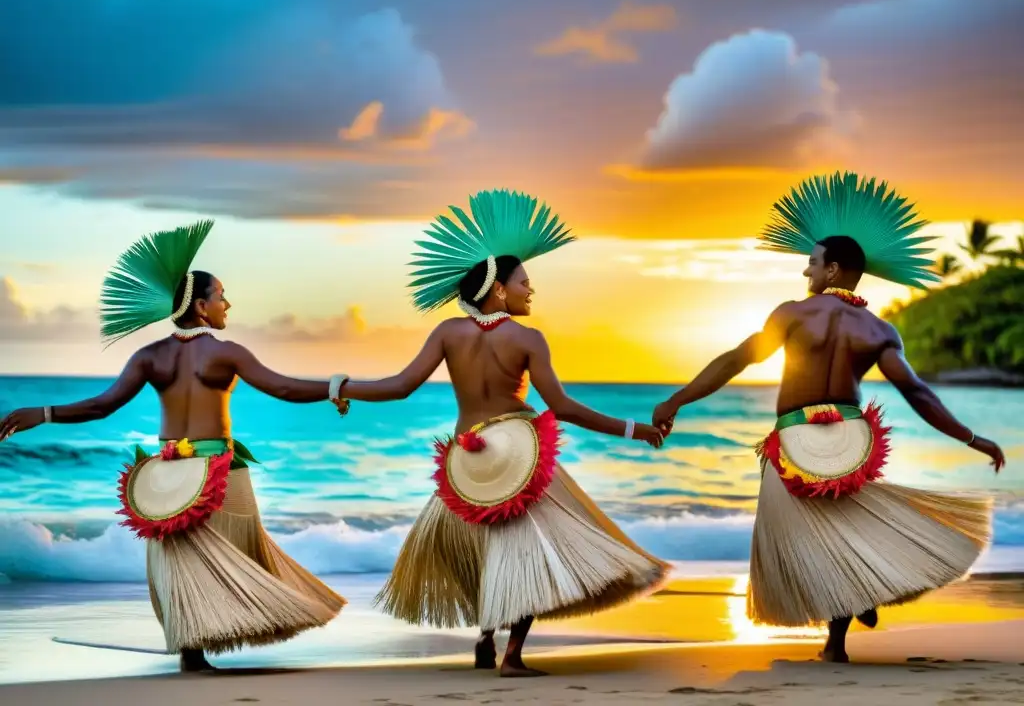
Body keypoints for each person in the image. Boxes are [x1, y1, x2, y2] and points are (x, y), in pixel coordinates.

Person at [652, 172, 1004, 663]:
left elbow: (737, 360)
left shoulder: (793, 314)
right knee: (840, 528)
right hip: (849, 439)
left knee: (803, 535)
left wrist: (676, 401)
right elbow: (916, 393)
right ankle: (838, 636)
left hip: (795, 437)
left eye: (812, 264)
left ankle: (851, 603)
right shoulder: (880, 329)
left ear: (834, 270)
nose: (805, 273)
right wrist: (971, 437)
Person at [325, 189, 671, 677]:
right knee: (526, 554)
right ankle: (511, 656)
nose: (533, 291)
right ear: (500, 291)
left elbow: (400, 387)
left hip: (465, 461)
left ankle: (485, 637)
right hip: (519, 457)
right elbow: (563, 407)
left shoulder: (447, 332)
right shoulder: (528, 339)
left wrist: (344, 387)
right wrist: (634, 429)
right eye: (526, 283)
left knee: (482, 549)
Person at [0, 220, 347, 672]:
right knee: (239, 554)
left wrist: (44, 414)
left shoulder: (149, 356)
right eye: (221, 295)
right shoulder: (227, 353)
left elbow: (101, 406)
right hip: (219, 471)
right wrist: (337, 387)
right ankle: (212, 640)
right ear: (201, 307)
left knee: (184, 562)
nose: (227, 304)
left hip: (167, 474)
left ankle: (192, 651)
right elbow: (282, 388)